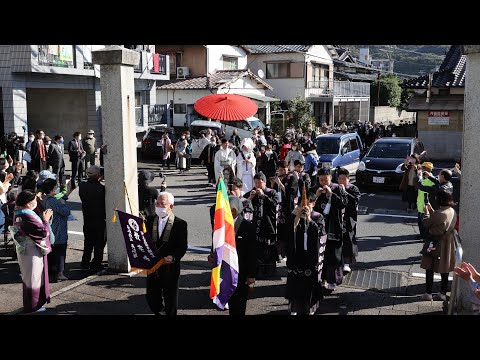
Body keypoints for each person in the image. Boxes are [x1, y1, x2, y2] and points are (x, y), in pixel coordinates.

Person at [145, 192, 188, 316]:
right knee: (151, 296)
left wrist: (174, 257)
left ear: (171, 206)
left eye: (162, 204)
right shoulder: (150, 220)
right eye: (157, 204)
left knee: (170, 298)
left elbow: (182, 246)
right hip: (153, 265)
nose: (159, 206)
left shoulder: (180, 224)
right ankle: (159, 311)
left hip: (170, 266)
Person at [11, 190, 53, 313]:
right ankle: (33, 306)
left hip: (24, 249)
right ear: (28, 203)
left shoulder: (19, 210)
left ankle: (31, 304)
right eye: (34, 200)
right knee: (34, 278)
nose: (36, 202)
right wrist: (45, 219)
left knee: (29, 277)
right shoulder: (27, 215)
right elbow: (43, 232)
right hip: (31, 250)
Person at [286, 190, 327, 315]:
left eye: (308, 204)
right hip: (296, 255)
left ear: (313, 204)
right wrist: (297, 217)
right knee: (295, 284)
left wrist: (309, 219)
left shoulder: (318, 217)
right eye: (302, 205)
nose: (304, 207)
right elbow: (287, 233)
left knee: (309, 287)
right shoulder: (295, 216)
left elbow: (321, 234)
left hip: (311, 257)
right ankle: (293, 308)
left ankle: (309, 309)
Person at [313, 167, 348, 291]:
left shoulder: (337, 188)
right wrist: (316, 196)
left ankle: (333, 281)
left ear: (330, 178)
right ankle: (321, 279)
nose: (323, 183)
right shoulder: (316, 188)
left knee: (333, 256)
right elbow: (309, 205)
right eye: (321, 180)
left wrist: (331, 194)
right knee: (321, 255)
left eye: (325, 180)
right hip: (320, 228)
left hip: (333, 227)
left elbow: (343, 203)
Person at [420, 190, 457, 301]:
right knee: (444, 268)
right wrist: (432, 210)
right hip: (447, 243)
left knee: (429, 267)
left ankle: (428, 293)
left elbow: (426, 222)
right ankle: (442, 293)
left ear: (440, 199)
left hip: (434, 242)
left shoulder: (439, 213)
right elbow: (439, 221)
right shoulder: (451, 211)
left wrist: (426, 212)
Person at [225, 195, 256, 316]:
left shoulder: (247, 227)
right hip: (226, 271)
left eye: (232, 209)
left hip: (241, 272)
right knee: (231, 303)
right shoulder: (222, 225)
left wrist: (251, 275)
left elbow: (252, 253)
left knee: (240, 304)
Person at [245, 172, 278, 277]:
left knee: (268, 249)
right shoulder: (252, 192)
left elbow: (275, 205)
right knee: (256, 249)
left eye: (259, 183)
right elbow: (242, 203)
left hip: (268, 225)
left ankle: (269, 270)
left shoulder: (272, 192)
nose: (257, 185)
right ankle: (257, 270)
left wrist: (264, 196)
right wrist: (250, 198)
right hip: (255, 226)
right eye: (255, 183)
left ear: (265, 182)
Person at [41, 178, 71, 282]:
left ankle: (52, 272)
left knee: (52, 252)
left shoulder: (44, 199)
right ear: (53, 188)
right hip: (58, 228)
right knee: (60, 251)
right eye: (56, 186)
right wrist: (62, 203)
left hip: (50, 227)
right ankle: (60, 273)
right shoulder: (54, 201)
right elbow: (66, 212)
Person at [79, 165, 106, 271]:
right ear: (98, 175)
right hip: (99, 219)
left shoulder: (82, 186)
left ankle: (85, 263)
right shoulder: (102, 189)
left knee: (88, 243)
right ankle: (96, 263)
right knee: (99, 243)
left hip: (87, 218)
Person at [336, 167, 361, 274]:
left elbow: (355, 200)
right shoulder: (335, 188)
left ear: (348, 179)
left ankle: (347, 263)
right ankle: (337, 261)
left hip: (348, 218)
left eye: (343, 179)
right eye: (339, 178)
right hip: (337, 218)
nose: (341, 181)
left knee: (348, 239)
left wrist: (344, 192)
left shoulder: (353, 189)